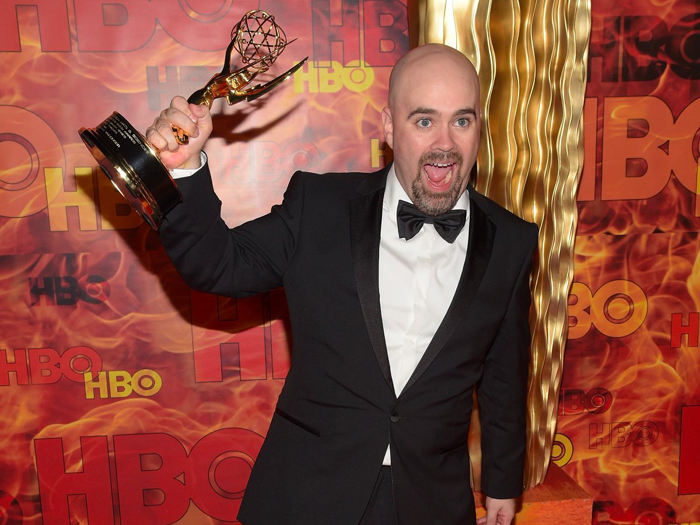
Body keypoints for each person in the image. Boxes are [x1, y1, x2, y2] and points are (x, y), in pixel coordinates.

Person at [146, 43, 538, 525]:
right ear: (389, 127)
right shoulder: (320, 207)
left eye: (462, 120)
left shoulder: (511, 241)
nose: (445, 143)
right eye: (423, 120)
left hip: (431, 500)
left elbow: (505, 376)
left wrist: (503, 482)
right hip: (311, 493)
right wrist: (184, 169)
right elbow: (217, 266)